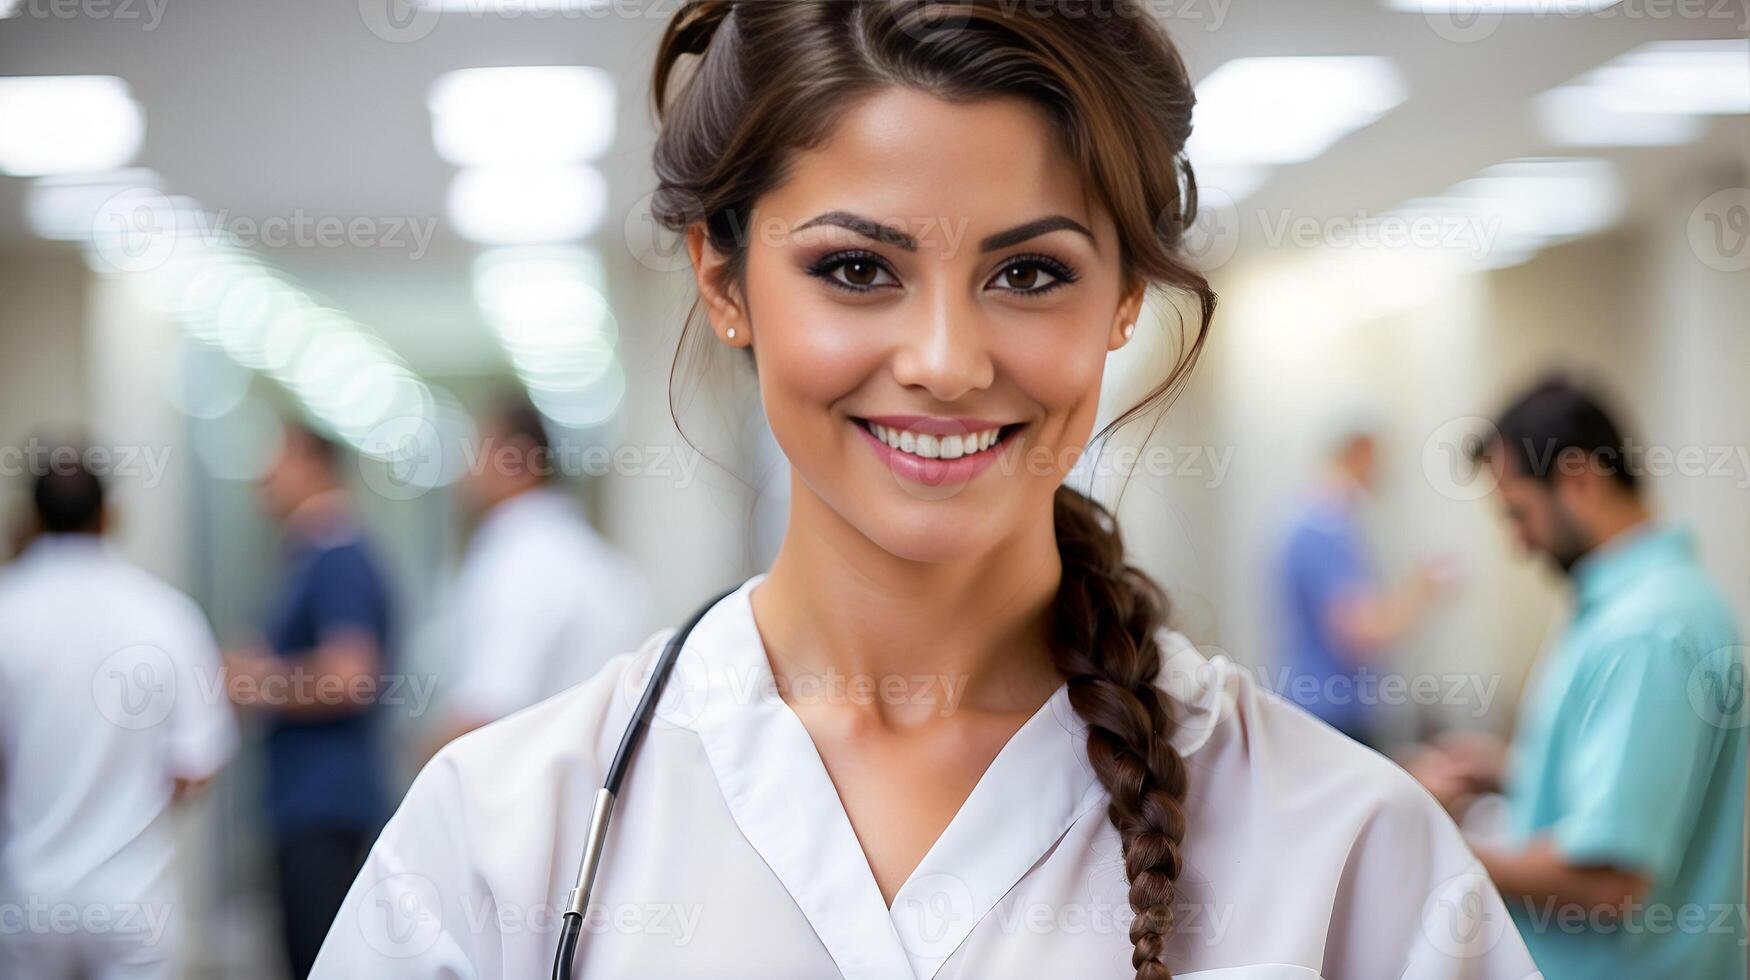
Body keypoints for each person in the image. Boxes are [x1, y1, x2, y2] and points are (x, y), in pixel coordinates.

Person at [311, 3, 1540, 976]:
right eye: (855, 267)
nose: (948, 361)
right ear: (723, 280)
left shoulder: (1349, 849)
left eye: (1030, 271)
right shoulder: (503, 832)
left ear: (1123, 296)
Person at [1409, 378, 1746, 978]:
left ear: (1579, 478)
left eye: (1520, 514)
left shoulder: (1645, 631)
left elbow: (1607, 881)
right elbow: (1643, 796)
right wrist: (1514, 773)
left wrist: (1428, 841)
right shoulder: (1648, 606)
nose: (1519, 542)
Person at [0, 443, 238, 979]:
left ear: (30, 518)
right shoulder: (164, 614)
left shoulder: (7, 610)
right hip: (133, 898)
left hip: (25, 895)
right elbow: (195, 767)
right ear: (110, 515)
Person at [224, 421, 395, 980]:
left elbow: (349, 675)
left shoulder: (337, 555)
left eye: (276, 459)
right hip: (307, 801)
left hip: (323, 805)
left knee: (320, 962)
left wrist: (255, 680)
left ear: (313, 466)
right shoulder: (307, 558)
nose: (263, 476)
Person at [423, 391, 652, 755]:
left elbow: (488, 706)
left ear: (515, 459)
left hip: (533, 785)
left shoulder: (523, 560)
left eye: (478, 450)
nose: (464, 471)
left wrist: (421, 760)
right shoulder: (587, 554)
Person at [1276, 425, 1452, 749]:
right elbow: (1359, 635)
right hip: (1332, 718)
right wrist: (1421, 590)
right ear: (1358, 454)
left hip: (1325, 713)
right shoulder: (1326, 527)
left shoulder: (1312, 521)